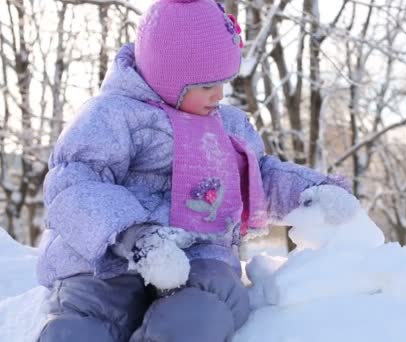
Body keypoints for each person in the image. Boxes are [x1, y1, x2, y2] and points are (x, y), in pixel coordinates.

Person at [36, 0, 354, 341]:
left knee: (204, 309)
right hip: (111, 256)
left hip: (201, 254)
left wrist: (310, 193)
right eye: (206, 86)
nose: (219, 94)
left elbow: (258, 175)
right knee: (90, 318)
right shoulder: (113, 116)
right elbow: (75, 183)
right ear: (168, 77)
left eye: (223, 82)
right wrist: (136, 238)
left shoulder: (228, 125)